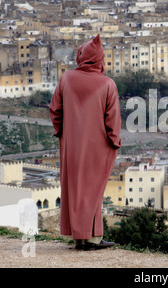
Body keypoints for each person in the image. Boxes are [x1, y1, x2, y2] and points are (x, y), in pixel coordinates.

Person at [49, 34, 122, 251]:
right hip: (97, 146)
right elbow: (113, 120)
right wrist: (114, 141)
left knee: (75, 187)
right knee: (94, 188)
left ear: (82, 57)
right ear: (99, 59)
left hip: (71, 145)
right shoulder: (108, 84)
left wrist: (64, 133)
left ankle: (78, 237)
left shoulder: (67, 79)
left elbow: (55, 111)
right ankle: (92, 238)